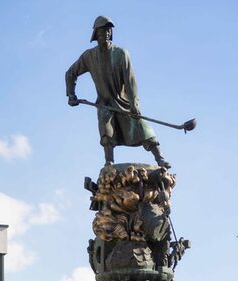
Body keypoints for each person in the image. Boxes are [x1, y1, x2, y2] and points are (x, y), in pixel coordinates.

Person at [66, 16, 170, 168]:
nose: (106, 33)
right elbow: (70, 73)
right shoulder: (89, 56)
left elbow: (130, 81)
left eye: (108, 30)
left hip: (123, 101)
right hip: (104, 103)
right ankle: (109, 162)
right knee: (106, 131)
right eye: (103, 30)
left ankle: (160, 158)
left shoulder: (121, 54)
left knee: (142, 128)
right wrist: (71, 94)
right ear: (96, 33)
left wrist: (134, 104)